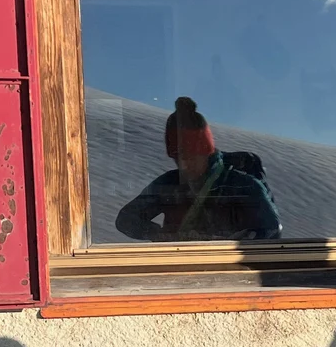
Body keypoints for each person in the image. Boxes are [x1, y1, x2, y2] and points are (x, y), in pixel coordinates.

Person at [113, 96, 280, 241]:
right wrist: (161, 234)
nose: (184, 165)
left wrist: (230, 243)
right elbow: (126, 219)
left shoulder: (242, 185)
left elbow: (271, 230)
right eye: (178, 158)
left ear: (206, 152)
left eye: (190, 157)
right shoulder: (169, 183)